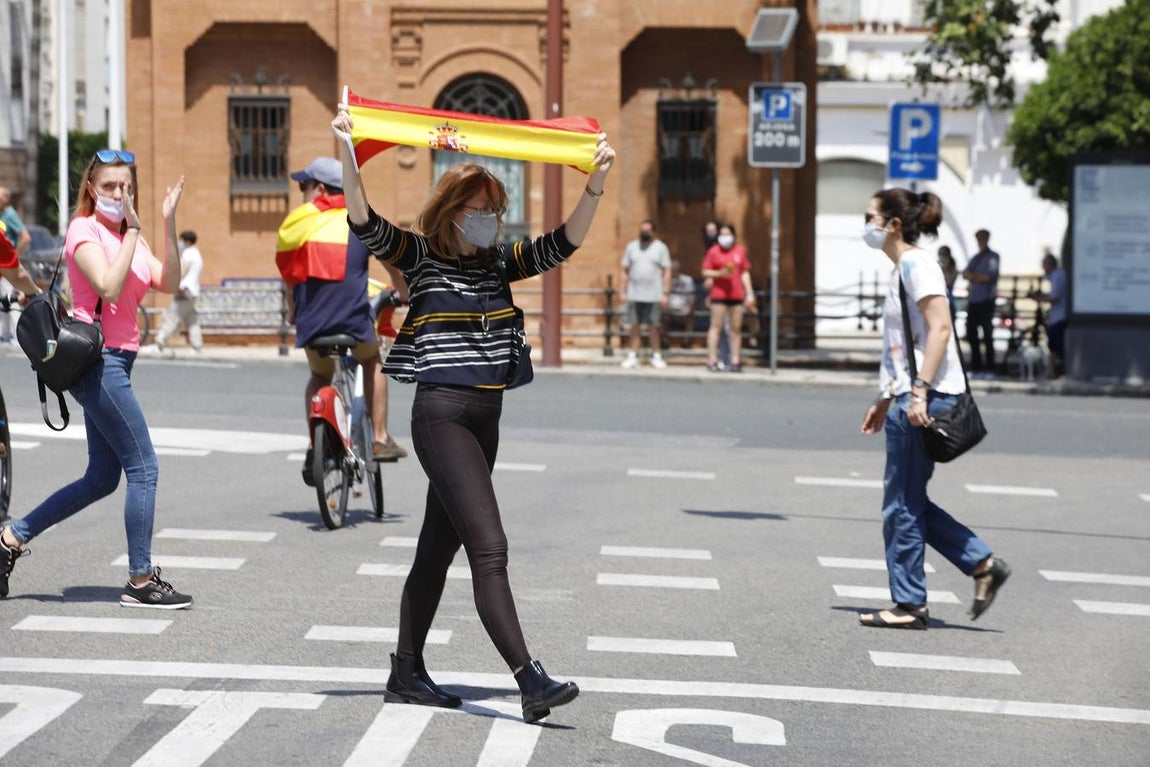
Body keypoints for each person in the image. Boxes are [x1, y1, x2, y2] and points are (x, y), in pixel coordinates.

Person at [333, 104, 615, 723]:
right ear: (452, 212)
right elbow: (363, 221)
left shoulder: (499, 262)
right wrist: (349, 154)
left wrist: (594, 182)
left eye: (495, 209)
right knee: (490, 548)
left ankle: (405, 671)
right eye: (479, 209)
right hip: (442, 415)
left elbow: (563, 242)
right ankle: (529, 679)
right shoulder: (419, 257)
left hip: (485, 419)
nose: (490, 220)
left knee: (437, 551)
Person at [0, 149, 194, 608]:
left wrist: (165, 221)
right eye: (109, 186)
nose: (119, 194)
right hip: (99, 361)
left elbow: (167, 280)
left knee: (101, 477)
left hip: (119, 362)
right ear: (91, 188)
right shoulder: (83, 231)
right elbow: (107, 285)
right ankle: (141, 581)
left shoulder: (131, 235)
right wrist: (136, 232)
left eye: (126, 186)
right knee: (143, 468)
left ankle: (10, 538)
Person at [858, 188, 1009, 630]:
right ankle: (981, 564)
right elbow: (905, 343)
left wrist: (918, 392)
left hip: (924, 397)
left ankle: (909, 604)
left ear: (894, 224)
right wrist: (886, 397)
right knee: (910, 499)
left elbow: (940, 328)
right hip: (908, 394)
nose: (865, 225)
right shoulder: (902, 267)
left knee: (901, 504)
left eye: (870, 217)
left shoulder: (915, 264)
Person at [275, 157, 407, 476]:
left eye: (303, 186)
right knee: (374, 360)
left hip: (312, 325)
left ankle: (314, 445)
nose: (302, 193)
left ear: (320, 188)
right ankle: (378, 437)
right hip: (352, 322)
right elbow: (392, 259)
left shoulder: (298, 223)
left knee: (319, 378)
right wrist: (404, 292)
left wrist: (294, 313)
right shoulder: (359, 220)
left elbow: (290, 277)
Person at [701, 223, 755, 372]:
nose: (725, 237)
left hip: (736, 294)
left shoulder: (739, 251)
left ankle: (735, 359)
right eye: (722, 234)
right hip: (719, 294)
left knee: (735, 328)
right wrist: (719, 274)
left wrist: (749, 292)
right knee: (716, 326)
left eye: (728, 234)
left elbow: (744, 272)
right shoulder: (714, 252)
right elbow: (705, 271)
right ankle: (712, 359)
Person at [619, 219, 671, 368]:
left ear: (654, 232)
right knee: (634, 325)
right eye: (642, 230)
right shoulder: (632, 247)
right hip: (635, 294)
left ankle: (655, 355)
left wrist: (665, 293)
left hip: (654, 294)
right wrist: (623, 290)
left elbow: (667, 271)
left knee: (654, 326)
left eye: (648, 230)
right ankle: (633, 355)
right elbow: (624, 269)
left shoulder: (661, 248)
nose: (644, 233)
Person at [143, 230, 203, 354]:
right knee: (192, 319)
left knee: (172, 316)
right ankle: (197, 346)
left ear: (187, 241)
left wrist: (173, 281)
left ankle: (159, 343)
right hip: (193, 292)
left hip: (184, 290)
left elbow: (183, 270)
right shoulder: (197, 254)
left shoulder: (189, 253)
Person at [962, 229, 999, 377]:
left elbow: (987, 277)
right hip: (974, 299)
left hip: (986, 300)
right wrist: (974, 277)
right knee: (971, 334)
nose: (980, 241)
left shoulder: (993, 257)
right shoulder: (975, 257)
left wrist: (973, 277)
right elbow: (965, 273)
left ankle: (990, 367)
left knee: (987, 335)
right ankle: (976, 367)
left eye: (982, 238)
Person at [0, 187, 34, 343]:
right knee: (3, 300)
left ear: (6, 199)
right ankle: (5, 335)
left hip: (8, 264)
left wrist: (14, 255)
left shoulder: (10, 214)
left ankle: (17, 335)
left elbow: (25, 237)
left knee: (13, 299)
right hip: (3, 264)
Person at [1029, 250, 1067, 374]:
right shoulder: (1054, 276)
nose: (1042, 267)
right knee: (1053, 346)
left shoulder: (1058, 276)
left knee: (1057, 346)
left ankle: (1056, 370)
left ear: (1049, 264)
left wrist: (1038, 298)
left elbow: (1054, 298)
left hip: (1059, 317)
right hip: (1056, 317)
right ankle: (1052, 370)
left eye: (1043, 264)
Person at [663, 260, 697, 349]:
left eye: (675, 270)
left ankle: (687, 342)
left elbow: (692, 296)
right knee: (661, 317)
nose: (673, 272)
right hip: (668, 310)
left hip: (683, 309)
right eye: (671, 270)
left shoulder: (687, 280)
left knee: (690, 318)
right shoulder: (664, 280)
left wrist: (689, 307)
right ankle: (664, 342)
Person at [937, 245, 958, 320]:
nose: (941, 257)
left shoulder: (953, 270)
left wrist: (945, 268)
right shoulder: (936, 266)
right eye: (940, 254)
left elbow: (948, 282)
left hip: (948, 302)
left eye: (944, 254)